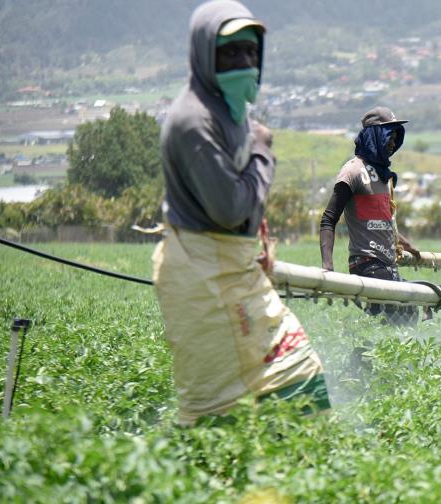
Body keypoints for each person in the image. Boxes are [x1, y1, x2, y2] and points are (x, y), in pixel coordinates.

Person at [152, 0, 329, 426]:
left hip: (233, 269)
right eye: (230, 52)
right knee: (219, 407)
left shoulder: (229, 111)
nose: (244, 62)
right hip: (203, 277)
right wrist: (264, 152)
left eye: (250, 52)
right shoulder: (194, 121)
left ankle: (286, 478)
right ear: (204, 55)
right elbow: (230, 208)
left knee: (300, 379)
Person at [319, 107, 421, 325]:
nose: (393, 144)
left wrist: (404, 243)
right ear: (374, 136)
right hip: (367, 264)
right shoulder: (352, 172)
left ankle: (364, 355)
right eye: (389, 137)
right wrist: (327, 266)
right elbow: (329, 219)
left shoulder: (384, 176)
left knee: (406, 317)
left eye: (396, 138)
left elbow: (382, 222)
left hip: (387, 265)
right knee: (403, 313)